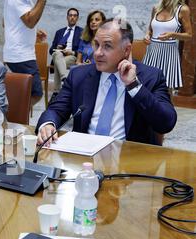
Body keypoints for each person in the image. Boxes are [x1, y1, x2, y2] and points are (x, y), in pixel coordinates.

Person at [36, 19, 177, 146]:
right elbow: (56, 110)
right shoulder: (79, 75)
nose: (97, 53)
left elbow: (166, 123)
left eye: (107, 46)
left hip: (129, 161)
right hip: (82, 158)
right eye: (96, 44)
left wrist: (134, 86)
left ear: (126, 50)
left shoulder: (151, 77)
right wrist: (48, 125)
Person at [3, 0, 47, 109]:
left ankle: (14, 118)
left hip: (17, 54)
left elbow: (6, 22)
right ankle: (13, 117)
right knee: (36, 93)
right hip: (21, 55)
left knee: (25, 93)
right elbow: (30, 21)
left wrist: (33, 33)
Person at [143, 0, 192, 90]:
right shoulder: (156, 8)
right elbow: (150, 30)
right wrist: (147, 36)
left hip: (169, 54)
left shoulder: (182, 9)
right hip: (152, 52)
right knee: (147, 85)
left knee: (166, 89)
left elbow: (189, 35)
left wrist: (172, 35)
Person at [49, 8, 83, 98]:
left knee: (57, 62)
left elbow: (81, 50)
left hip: (72, 57)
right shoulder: (59, 32)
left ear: (77, 18)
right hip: (59, 55)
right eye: (70, 15)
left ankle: (56, 93)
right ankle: (65, 78)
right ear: (67, 17)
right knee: (57, 54)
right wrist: (57, 48)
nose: (72, 17)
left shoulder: (81, 32)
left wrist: (71, 52)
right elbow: (50, 50)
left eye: (75, 16)